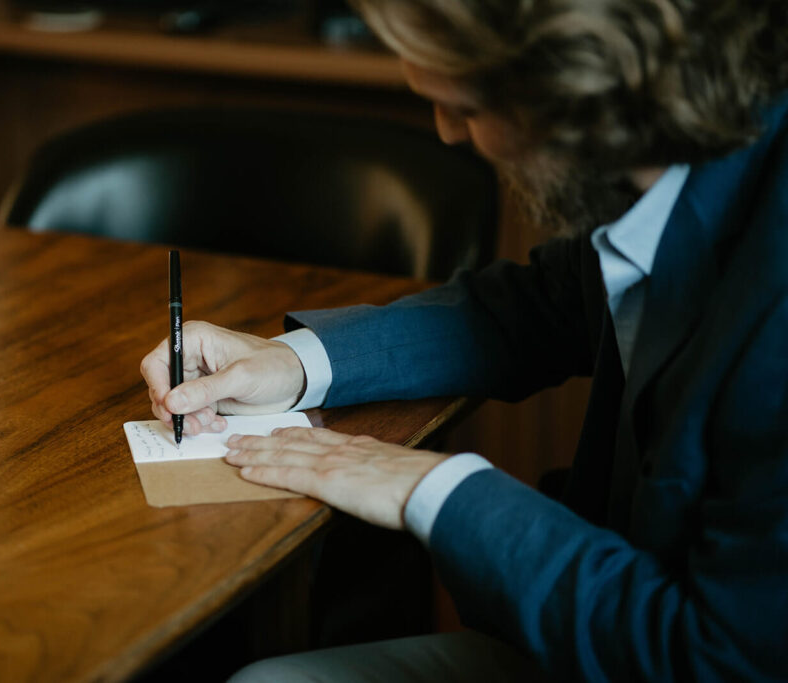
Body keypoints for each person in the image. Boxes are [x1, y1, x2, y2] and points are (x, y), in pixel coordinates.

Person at [140, 0, 788, 679]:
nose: (447, 133)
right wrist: (289, 363)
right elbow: (544, 306)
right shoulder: (679, 171)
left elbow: (720, 655)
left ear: (579, 81)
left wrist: (435, 488)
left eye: (468, 106)